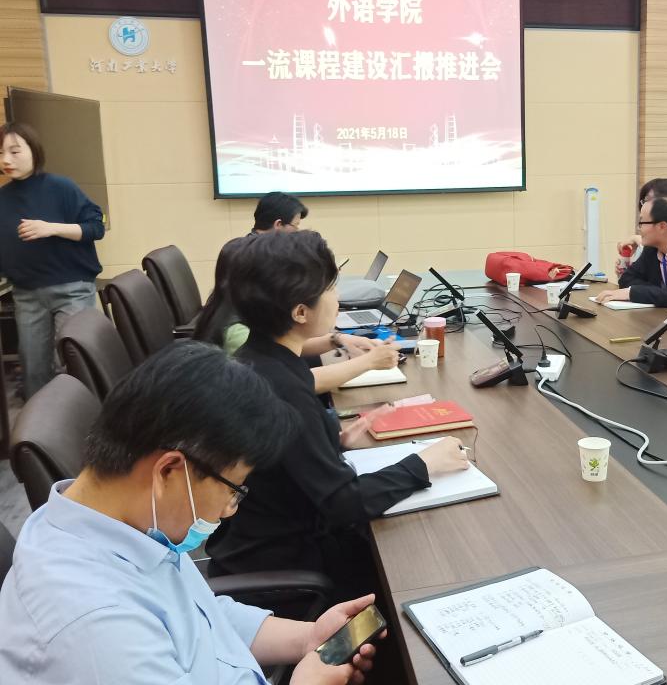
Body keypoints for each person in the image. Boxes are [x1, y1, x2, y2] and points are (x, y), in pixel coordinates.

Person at [0, 340, 380, 684]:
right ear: (169, 470)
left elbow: (200, 618)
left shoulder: (125, 523)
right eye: (232, 489)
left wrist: (307, 639)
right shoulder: (95, 629)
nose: (229, 510)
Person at [206, 230, 468, 597]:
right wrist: (423, 464)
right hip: (290, 564)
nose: (338, 298)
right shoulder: (283, 389)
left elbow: (284, 461)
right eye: (330, 289)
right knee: (433, 561)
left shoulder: (261, 357)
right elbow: (344, 504)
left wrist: (334, 442)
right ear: (300, 312)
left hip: (262, 538)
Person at [194, 235, 399, 391]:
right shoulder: (238, 331)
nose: (337, 295)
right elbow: (299, 382)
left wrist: (337, 339)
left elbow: (285, 345)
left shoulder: (238, 313)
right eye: (330, 288)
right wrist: (369, 362)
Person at [0, 122, 105, 399]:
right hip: (26, 295)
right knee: (33, 370)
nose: (6, 160)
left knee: (72, 360)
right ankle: (42, 425)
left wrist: (51, 228)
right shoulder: (2, 199)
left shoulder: (61, 187)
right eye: (1, 153)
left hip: (72, 289)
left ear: (34, 151)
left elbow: (96, 227)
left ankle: (87, 416)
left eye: (14, 151)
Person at [615, 177, 667, 276]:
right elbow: (628, 279)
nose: (644, 206)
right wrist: (629, 264)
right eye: (643, 201)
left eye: (649, 200)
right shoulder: (651, 245)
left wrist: (640, 244)